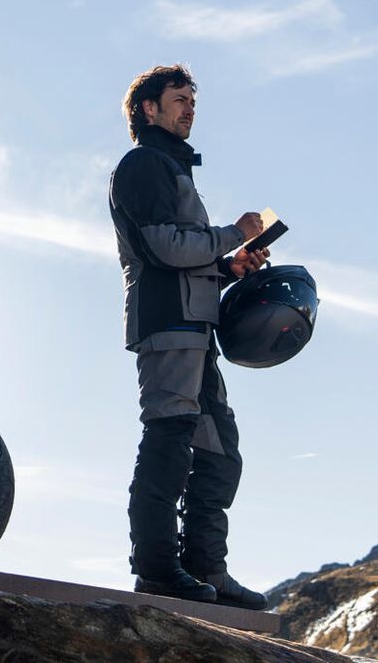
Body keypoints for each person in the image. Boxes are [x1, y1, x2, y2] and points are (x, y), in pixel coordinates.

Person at [108, 63, 271, 609]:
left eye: (192, 101)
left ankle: (207, 570)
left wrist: (231, 266)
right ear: (148, 108)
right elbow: (165, 247)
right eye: (179, 99)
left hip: (197, 333)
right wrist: (232, 235)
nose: (189, 108)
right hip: (167, 328)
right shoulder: (143, 164)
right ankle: (156, 570)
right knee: (169, 442)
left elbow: (186, 257)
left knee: (221, 452)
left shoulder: (172, 166)